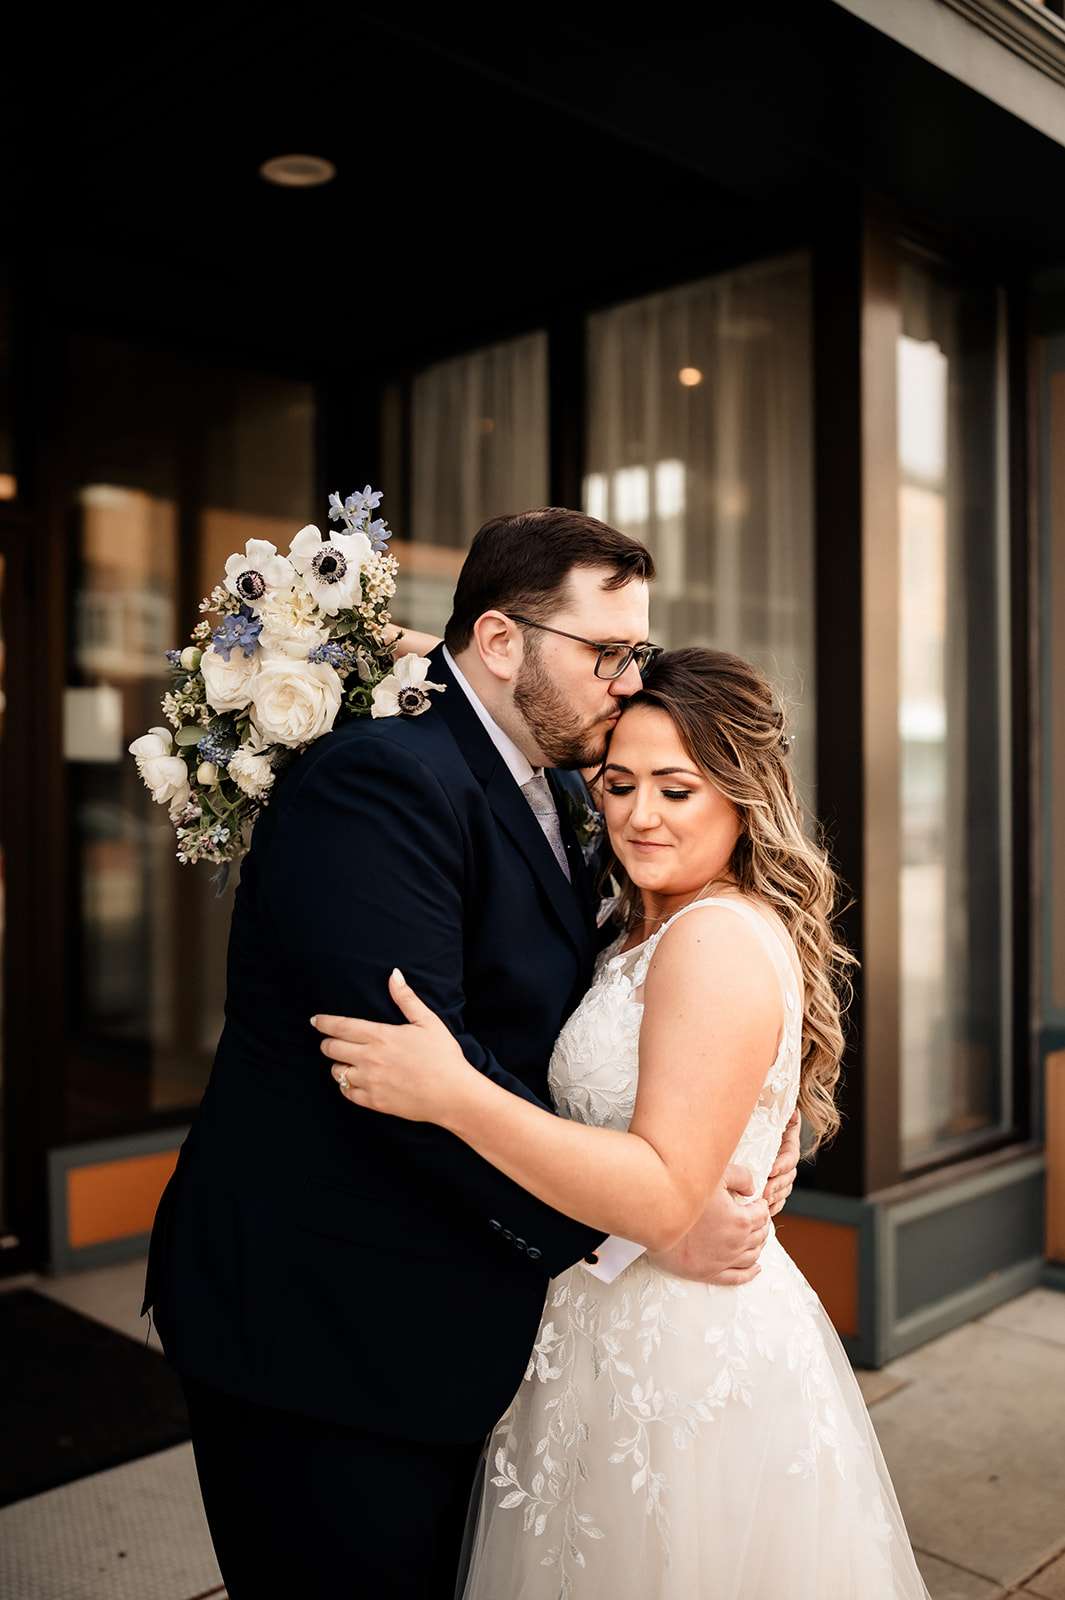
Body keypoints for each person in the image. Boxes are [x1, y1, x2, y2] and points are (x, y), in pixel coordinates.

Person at [140, 509, 800, 1600]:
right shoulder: (382, 783)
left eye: (636, 652)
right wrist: (647, 1217)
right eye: (608, 653)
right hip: (324, 1336)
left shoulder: (558, 780)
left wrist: (737, 1136)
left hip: (458, 1330)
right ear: (502, 643)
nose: (629, 683)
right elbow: (403, 1078)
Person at [315, 646, 932, 1599]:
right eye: (619, 783)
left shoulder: (713, 940)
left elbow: (658, 1187)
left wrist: (453, 1091)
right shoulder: (641, 918)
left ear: (741, 796)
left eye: (677, 789)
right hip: (603, 1323)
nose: (640, 815)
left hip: (675, 1359)